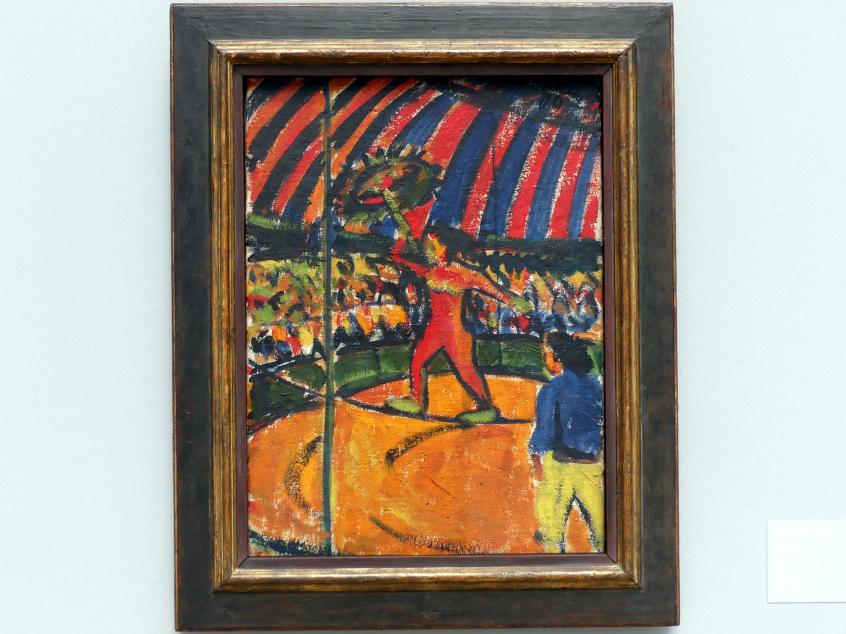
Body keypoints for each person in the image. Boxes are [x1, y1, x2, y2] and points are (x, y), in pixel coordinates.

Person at [386, 230, 531, 424]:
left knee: (466, 371)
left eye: (431, 246)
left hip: (455, 332)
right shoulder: (428, 270)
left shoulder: (466, 273)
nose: (427, 250)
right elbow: (396, 256)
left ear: (445, 247)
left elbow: (495, 290)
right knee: (417, 362)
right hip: (434, 330)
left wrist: (515, 302)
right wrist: (402, 239)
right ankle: (417, 401)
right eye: (426, 246)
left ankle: (487, 407)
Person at [529, 332, 604, 552]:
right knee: (600, 526)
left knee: (552, 522)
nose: (545, 358)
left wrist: (536, 460)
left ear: (557, 358)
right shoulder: (597, 385)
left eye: (547, 353)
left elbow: (544, 433)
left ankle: (551, 542)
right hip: (592, 463)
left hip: (561, 464)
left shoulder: (552, 389)